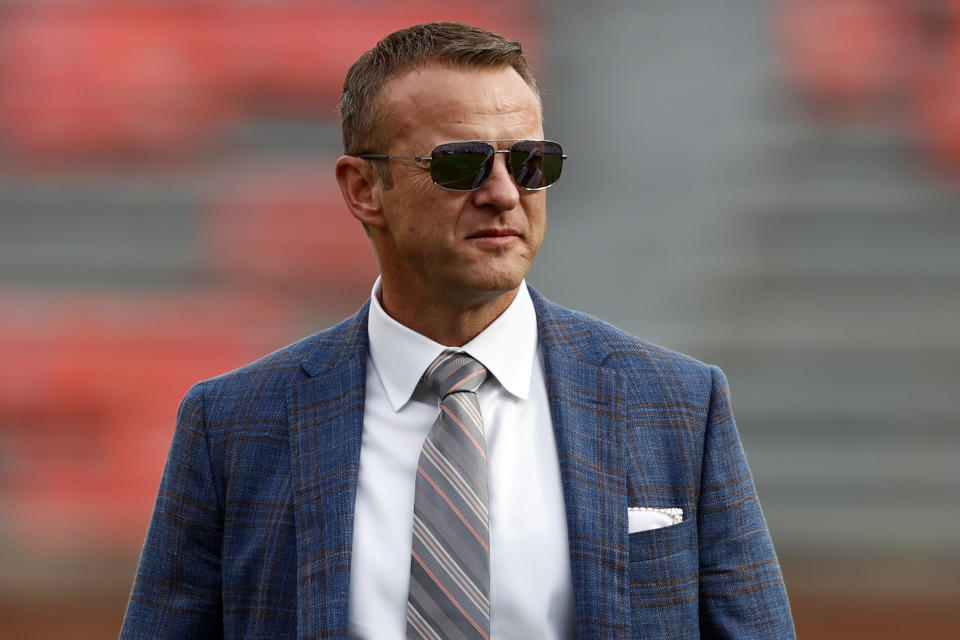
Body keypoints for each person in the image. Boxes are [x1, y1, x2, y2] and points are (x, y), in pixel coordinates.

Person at [121, 22, 795, 640]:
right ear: (363, 189)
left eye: (531, 163)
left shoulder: (677, 404)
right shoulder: (234, 425)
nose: (503, 192)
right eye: (459, 164)